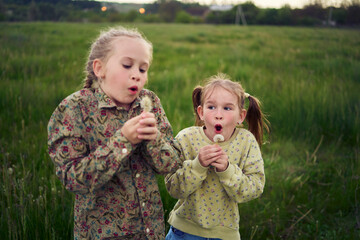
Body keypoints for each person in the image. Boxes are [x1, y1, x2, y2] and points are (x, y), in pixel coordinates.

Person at [47, 26, 181, 240]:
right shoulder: (74, 108)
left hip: (150, 231)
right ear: (100, 69)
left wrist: (153, 139)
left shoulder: (150, 102)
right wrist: (123, 141)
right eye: (127, 65)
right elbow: (73, 178)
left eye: (143, 69)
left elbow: (172, 163)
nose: (136, 75)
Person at [165, 73, 269, 240]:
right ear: (201, 112)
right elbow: (173, 187)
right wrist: (197, 165)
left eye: (227, 108)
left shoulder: (246, 142)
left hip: (225, 235)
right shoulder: (186, 139)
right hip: (184, 232)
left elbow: (255, 187)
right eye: (211, 107)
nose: (218, 114)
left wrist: (228, 171)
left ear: (240, 116)